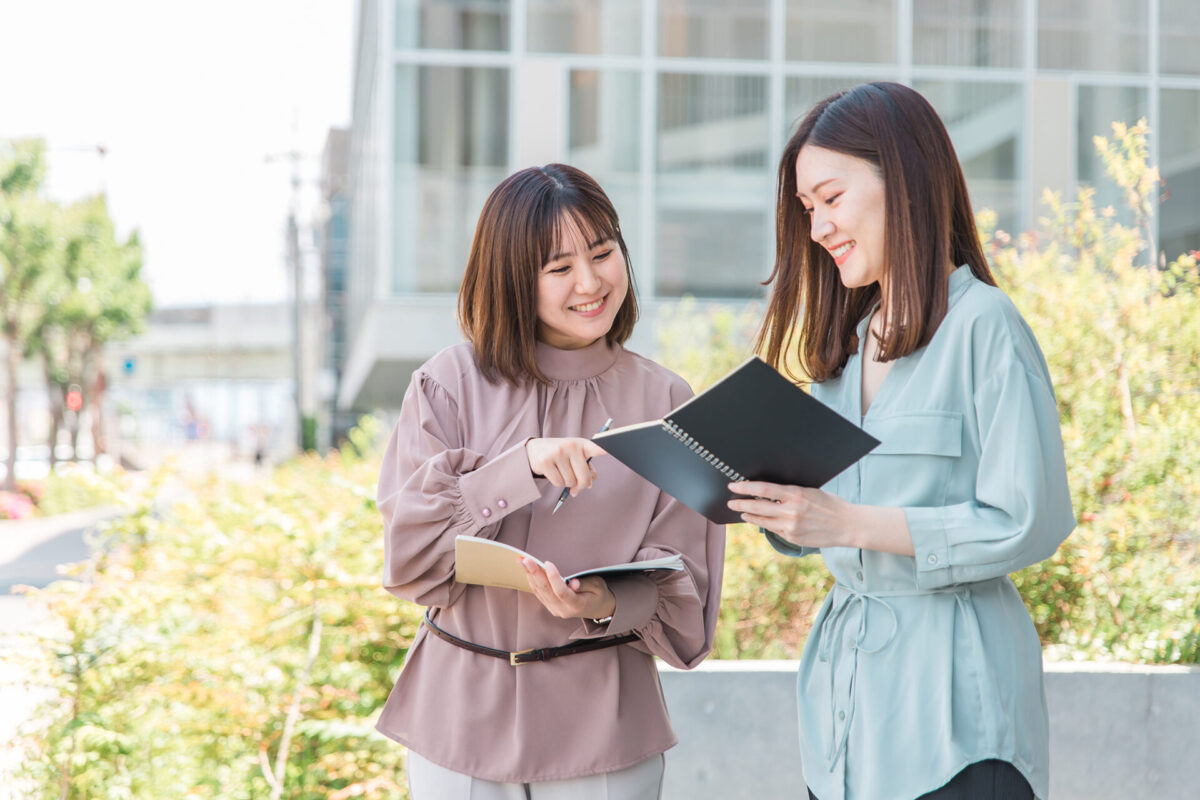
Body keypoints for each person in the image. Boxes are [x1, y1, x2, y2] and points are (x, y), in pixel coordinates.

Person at [726, 82, 1075, 800]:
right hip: (846, 716)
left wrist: (846, 522)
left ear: (905, 180)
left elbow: (1027, 521)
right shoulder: (848, 346)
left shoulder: (986, 326)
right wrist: (776, 505)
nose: (818, 227)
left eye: (831, 198)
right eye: (806, 209)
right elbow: (826, 520)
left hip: (956, 716)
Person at [375, 163, 725, 799]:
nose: (590, 282)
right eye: (558, 268)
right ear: (513, 279)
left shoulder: (668, 398)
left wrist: (603, 603)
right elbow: (409, 556)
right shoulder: (445, 385)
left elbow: (684, 584)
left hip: (605, 730)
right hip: (458, 723)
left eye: (602, 253)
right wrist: (520, 466)